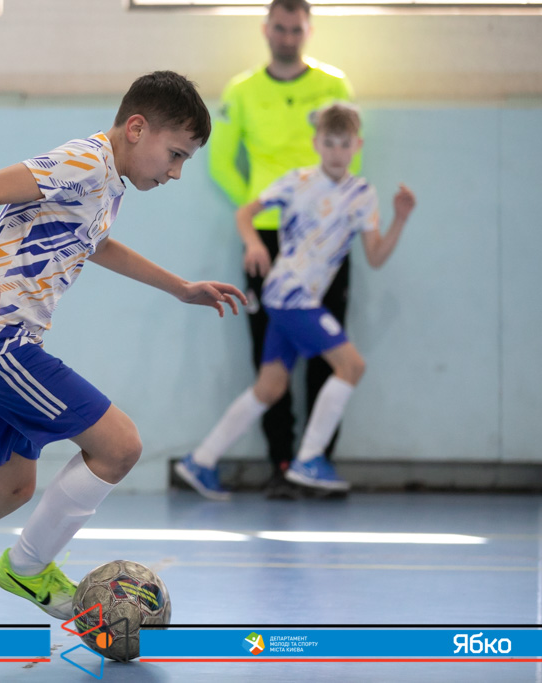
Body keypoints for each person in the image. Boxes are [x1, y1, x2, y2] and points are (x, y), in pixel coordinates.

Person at [0, 71, 246, 625]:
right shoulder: (87, 161)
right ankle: (29, 567)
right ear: (137, 128)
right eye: (176, 154)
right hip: (0, 341)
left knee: (8, 487)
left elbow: (98, 245)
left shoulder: (105, 181)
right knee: (120, 446)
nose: (176, 172)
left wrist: (180, 288)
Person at [178, 103, 415, 497]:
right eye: (330, 143)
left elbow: (375, 257)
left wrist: (400, 219)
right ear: (316, 143)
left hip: (301, 299)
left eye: (344, 144)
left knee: (269, 387)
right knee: (352, 366)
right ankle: (309, 459)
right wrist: (254, 243)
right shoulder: (296, 181)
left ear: (357, 146)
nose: (337, 152)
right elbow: (245, 213)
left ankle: (200, 461)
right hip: (290, 295)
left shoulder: (362, 194)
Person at [194, 0, 358, 499]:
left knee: (329, 353)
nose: (288, 37)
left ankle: (316, 462)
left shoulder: (333, 84)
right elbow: (221, 162)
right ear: (267, 30)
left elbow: (349, 152)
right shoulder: (242, 90)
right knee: (270, 357)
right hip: (267, 236)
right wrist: (258, 212)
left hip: (324, 238)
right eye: (280, 29)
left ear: (309, 30)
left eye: (296, 29)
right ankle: (282, 463)